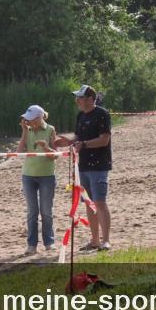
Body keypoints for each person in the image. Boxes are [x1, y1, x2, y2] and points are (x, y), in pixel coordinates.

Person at [54, 85, 112, 251]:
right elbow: (78, 137)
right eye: (77, 97)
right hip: (83, 166)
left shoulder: (102, 114)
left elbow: (104, 140)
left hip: (99, 165)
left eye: (80, 97)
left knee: (99, 202)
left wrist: (83, 144)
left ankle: (106, 240)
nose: (77, 100)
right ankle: (94, 240)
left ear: (90, 99)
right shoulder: (80, 115)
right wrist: (65, 141)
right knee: (88, 203)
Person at [17, 104, 59, 255]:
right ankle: (31, 245)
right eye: (27, 120)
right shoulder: (27, 131)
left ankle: (49, 242)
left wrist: (46, 147)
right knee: (32, 212)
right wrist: (23, 132)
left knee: (46, 211)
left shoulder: (50, 129)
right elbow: (19, 153)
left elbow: (55, 155)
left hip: (47, 176)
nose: (28, 122)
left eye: (31, 120)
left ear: (39, 118)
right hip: (28, 175)